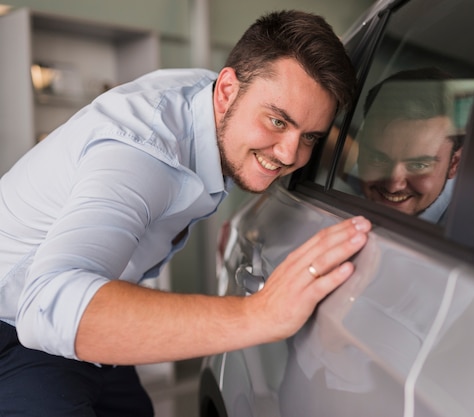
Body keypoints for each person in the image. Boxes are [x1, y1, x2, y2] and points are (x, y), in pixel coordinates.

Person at [0, 10, 371, 416]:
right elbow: (49, 304)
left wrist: (380, 169)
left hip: (88, 309)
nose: (289, 155)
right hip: (19, 325)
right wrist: (259, 315)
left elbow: (298, 131)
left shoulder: (211, 95)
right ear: (228, 90)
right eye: (277, 121)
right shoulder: (143, 154)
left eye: (310, 138)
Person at [353, 68, 465, 224]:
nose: (393, 185)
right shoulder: (367, 177)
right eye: (378, 158)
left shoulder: (470, 227)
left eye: (418, 165)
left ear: (454, 164)